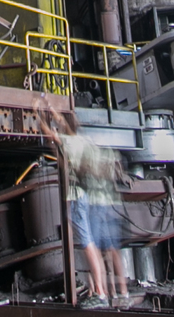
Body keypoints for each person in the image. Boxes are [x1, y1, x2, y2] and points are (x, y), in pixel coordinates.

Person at [36, 111, 128, 306]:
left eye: (61, 122)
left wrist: (38, 112)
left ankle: (100, 293)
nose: (59, 124)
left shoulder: (70, 141)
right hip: (82, 197)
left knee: (88, 245)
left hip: (76, 198)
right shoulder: (81, 141)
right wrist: (51, 111)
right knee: (91, 245)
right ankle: (102, 291)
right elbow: (60, 150)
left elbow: (48, 133)